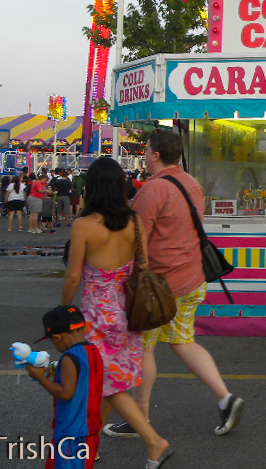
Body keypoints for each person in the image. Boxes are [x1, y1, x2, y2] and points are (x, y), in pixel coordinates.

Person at [104, 130, 244, 438]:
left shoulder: (152, 191)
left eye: (146, 150)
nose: (144, 155)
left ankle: (139, 419)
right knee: (183, 340)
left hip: (158, 288)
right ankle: (225, 397)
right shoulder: (192, 184)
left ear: (155, 155)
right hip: (192, 278)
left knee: (144, 347)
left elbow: (136, 239)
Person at [62, 156, 173, 466]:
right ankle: (91, 445)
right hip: (126, 311)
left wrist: (63, 307)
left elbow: (73, 275)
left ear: (93, 188)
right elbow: (144, 265)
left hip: (96, 314)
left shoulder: (84, 226)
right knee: (109, 381)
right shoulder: (134, 221)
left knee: (107, 385)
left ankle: (154, 441)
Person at [24, 304, 103, 469]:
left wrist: (40, 378)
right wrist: (54, 371)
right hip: (89, 427)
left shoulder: (69, 357)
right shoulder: (93, 351)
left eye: (52, 340)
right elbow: (83, 379)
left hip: (72, 432)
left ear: (58, 337)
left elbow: (66, 393)